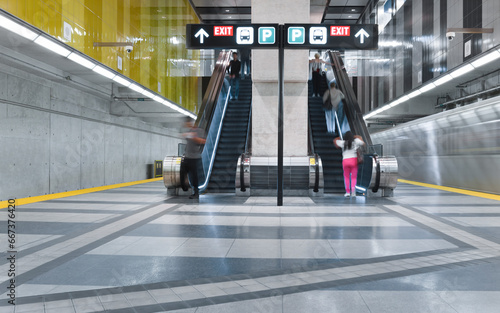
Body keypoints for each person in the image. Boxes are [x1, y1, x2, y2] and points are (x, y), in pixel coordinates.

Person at [333, 131, 365, 198]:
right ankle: (353, 192)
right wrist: (356, 136)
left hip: (345, 161)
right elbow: (363, 143)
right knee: (353, 177)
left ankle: (347, 192)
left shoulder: (343, 143)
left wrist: (341, 137)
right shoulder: (356, 141)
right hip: (354, 160)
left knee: (346, 177)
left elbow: (335, 140)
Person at [182, 117, 206, 199]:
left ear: (192, 123)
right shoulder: (189, 131)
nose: (187, 124)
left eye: (189, 123)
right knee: (182, 172)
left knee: (194, 176)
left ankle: (196, 192)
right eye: (187, 123)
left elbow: (203, 141)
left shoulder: (199, 131)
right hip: (187, 157)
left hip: (195, 158)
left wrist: (194, 137)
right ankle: (184, 186)